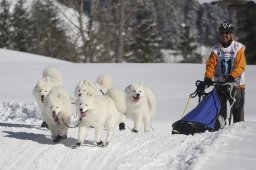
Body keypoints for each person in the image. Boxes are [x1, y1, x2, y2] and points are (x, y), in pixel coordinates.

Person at [198, 21, 246, 124]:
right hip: (220, 85)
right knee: (219, 111)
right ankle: (219, 134)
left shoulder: (238, 48)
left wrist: (232, 76)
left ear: (231, 34)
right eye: (222, 33)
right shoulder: (216, 49)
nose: (225, 35)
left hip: (236, 85)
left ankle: (238, 132)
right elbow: (211, 66)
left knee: (237, 112)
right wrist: (208, 78)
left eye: (227, 33)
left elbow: (240, 66)